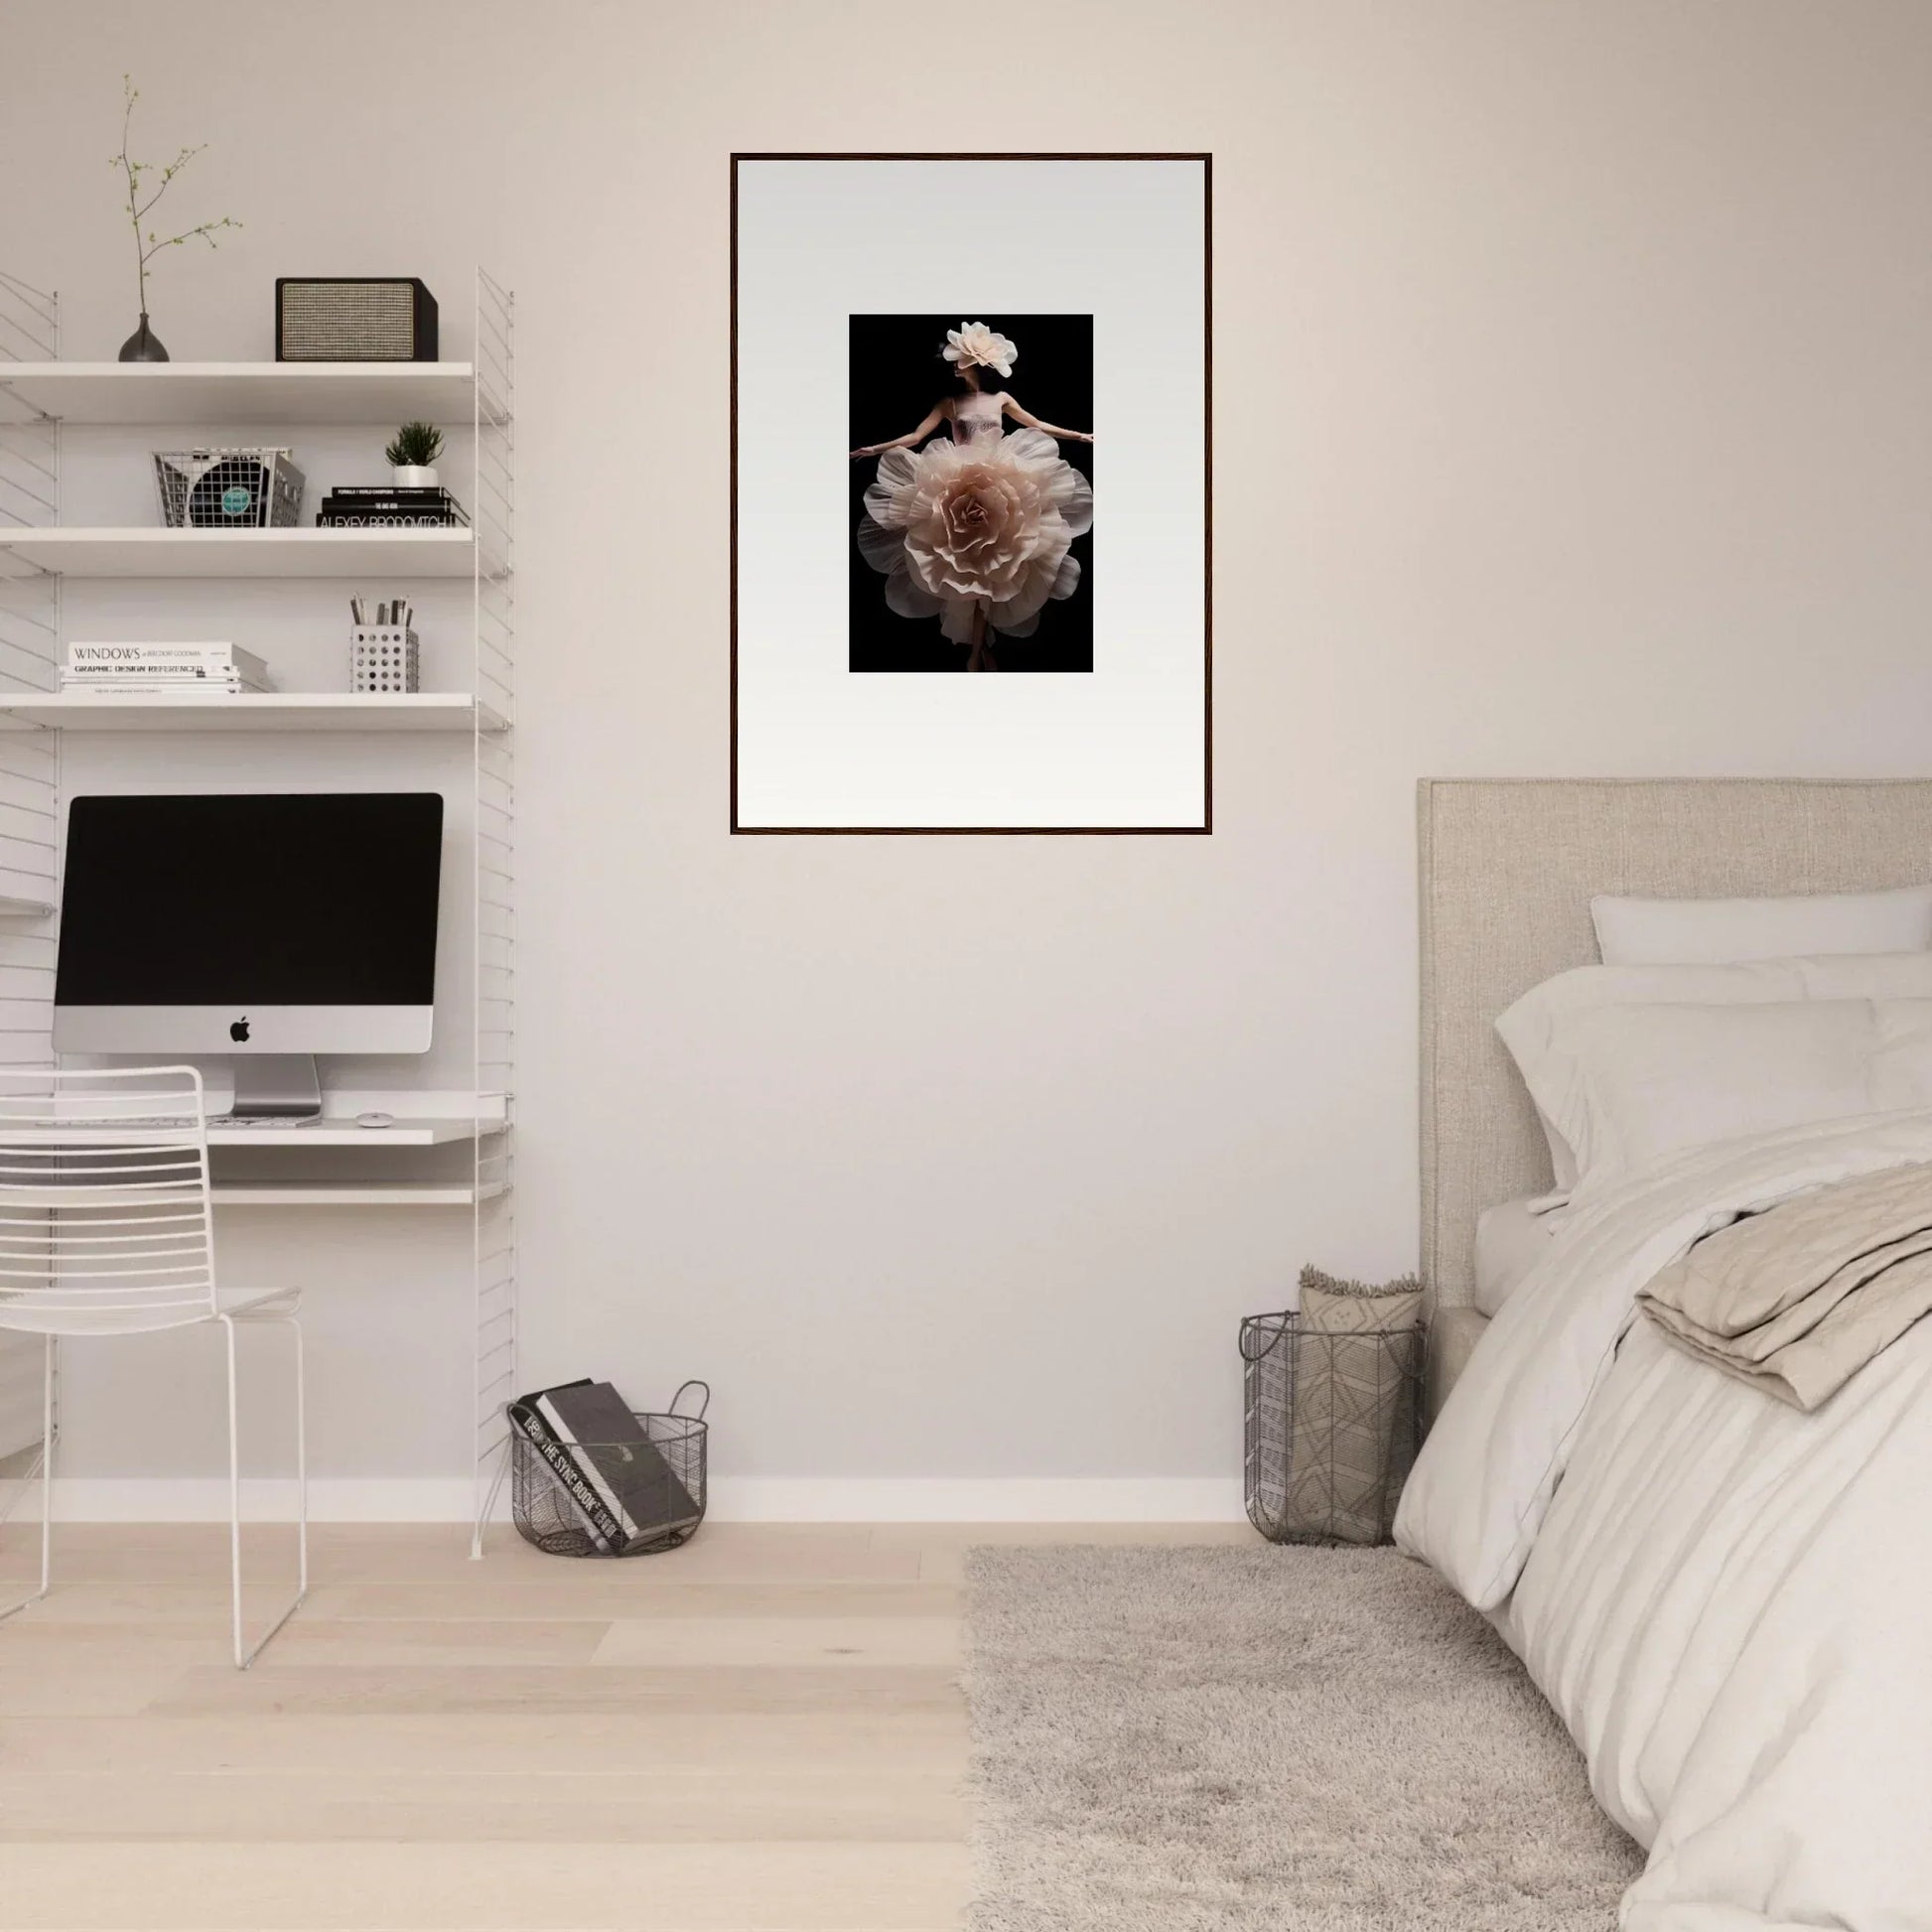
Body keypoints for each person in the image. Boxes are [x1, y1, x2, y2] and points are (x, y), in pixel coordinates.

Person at [851, 323, 1094, 670]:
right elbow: (916, 435)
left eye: (960, 360)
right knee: (969, 573)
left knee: (997, 570)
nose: (954, 365)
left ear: (977, 364)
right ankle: (976, 653)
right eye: (955, 360)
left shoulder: (1001, 399)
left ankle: (977, 652)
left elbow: (1037, 424)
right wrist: (876, 448)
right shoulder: (949, 402)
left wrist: (1081, 435)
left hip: (1005, 478)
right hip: (954, 480)